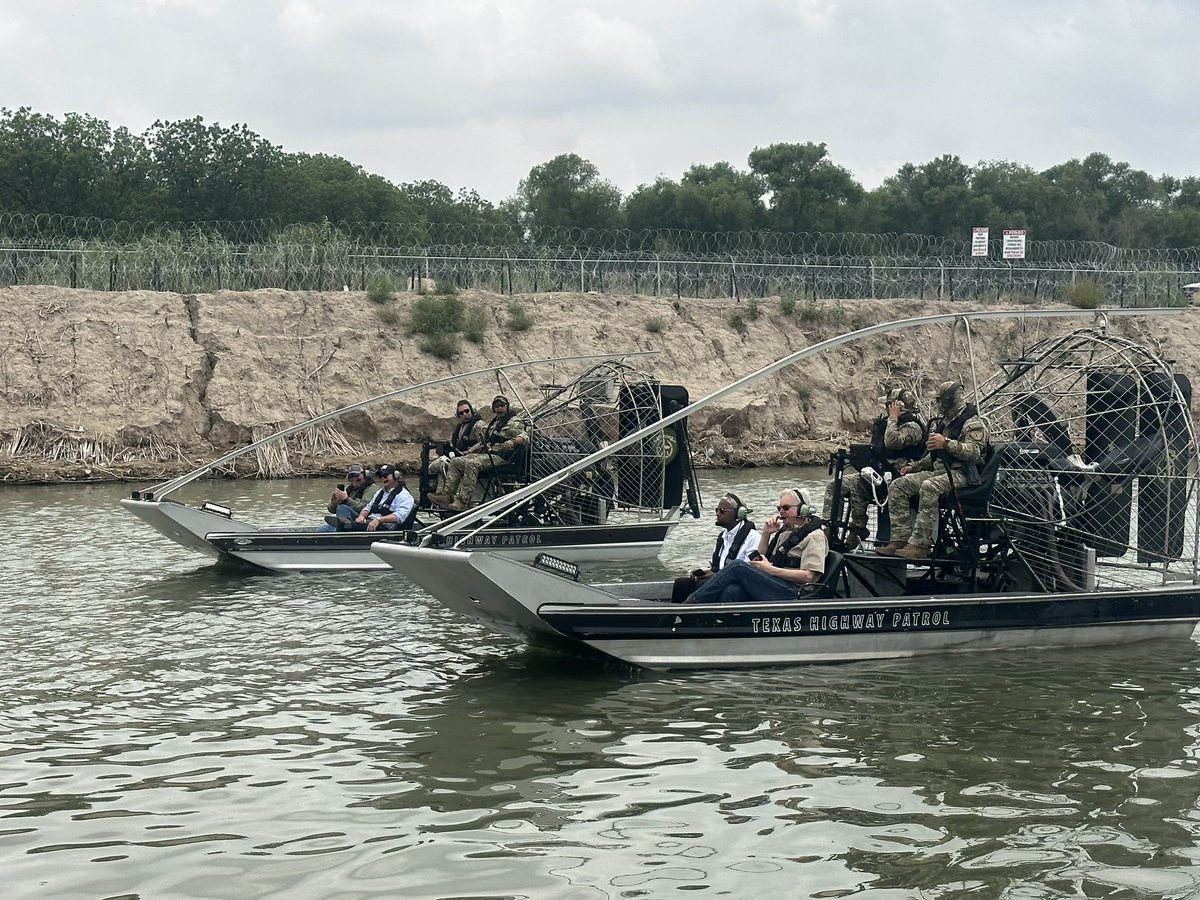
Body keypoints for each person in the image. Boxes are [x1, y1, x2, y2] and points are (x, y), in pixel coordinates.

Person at [876, 380, 991, 560]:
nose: (937, 405)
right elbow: (934, 456)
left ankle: (920, 545)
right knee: (899, 485)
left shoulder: (973, 423)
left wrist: (946, 443)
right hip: (941, 470)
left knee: (930, 486)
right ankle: (899, 540)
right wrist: (914, 466)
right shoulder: (946, 423)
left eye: (939, 401)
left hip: (963, 474)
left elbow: (974, 452)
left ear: (948, 401)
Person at [823, 387, 926, 550]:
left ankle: (882, 538)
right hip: (879, 474)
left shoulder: (913, 426)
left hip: (899, 477)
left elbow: (892, 442)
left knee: (867, 485)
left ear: (898, 406)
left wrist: (893, 418)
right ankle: (835, 530)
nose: (887, 409)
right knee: (838, 485)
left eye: (890, 406)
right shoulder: (886, 424)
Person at [685, 489, 827, 604]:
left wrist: (772, 570)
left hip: (795, 592)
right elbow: (761, 559)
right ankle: (718, 628)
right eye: (779, 508)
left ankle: (690, 605)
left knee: (738, 566)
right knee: (732, 590)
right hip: (780, 584)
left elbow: (808, 577)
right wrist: (766, 534)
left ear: (803, 510)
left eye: (786, 508)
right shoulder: (785, 533)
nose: (781, 512)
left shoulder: (815, 536)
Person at [430, 395, 528, 512]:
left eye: (502, 405)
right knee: (456, 461)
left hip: (502, 457)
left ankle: (462, 501)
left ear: (508, 407)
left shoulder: (514, 421)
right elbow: (487, 441)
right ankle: (447, 496)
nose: (500, 408)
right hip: (489, 454)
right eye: (497, 406)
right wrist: (474, 450)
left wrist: (512, 442)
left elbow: (525, 436)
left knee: (472, 463)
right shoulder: (495, 423)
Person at [669, 492, 760, 603]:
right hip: (720, 580)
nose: (717, 514)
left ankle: (702, 618)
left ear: (739, 514)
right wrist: (704, 573)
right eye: (716, 510)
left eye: (722, 510)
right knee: (681, 584)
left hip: (738, 584)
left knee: (703, 584)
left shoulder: (753, 537)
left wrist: (716, 576)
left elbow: (748, 573)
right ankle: (676, 617)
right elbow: (718, 568)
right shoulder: (723, 537)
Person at [428, 400, 483, 494]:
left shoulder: (479, 425)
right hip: (458, 456)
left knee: (448, 464)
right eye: (461, 413)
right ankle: (430, 493)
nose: (465, 414)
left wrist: (468, 451)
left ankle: (449, 494)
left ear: (472, 411)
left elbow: (483, 443)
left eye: (467, 411)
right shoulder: (460, 428)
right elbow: (454, 444)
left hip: (473, 457)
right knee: (432, 467)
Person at [346, 464, 416, 531]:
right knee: (345, 520)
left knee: (346, 525)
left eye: (385, 476)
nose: (382, 478)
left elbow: (399, 516)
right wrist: (361, 516)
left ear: (396, 476)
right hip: (372, 521)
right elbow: (368, 508)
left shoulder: (404, 495)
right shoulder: (380, 492)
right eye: (381, 476)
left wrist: (379, 520)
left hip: (386, 527)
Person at [319, 463, 374, 532]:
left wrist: (346, 499)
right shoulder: (350, 489)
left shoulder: (372, 488)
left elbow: (364, 507)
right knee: (322, 529)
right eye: (351, 476)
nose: (354, 478)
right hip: (348, 520)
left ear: (365, 475)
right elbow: (332, 510)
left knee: (342, 508)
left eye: (356, 475)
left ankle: (340, 532)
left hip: (363, 520)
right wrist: (334, 503)